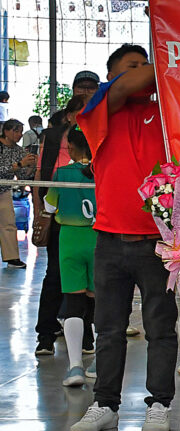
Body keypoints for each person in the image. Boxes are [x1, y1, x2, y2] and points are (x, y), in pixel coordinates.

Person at [69, 46, 179, 431]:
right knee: (110, 328)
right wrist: (170, 48)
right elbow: (128, 85)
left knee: (160, 329)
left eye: (145, 63)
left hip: (157, 242)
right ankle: (105, 404)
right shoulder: (99, 110)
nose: (142, 71)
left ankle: (160, 403)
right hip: (110, 240)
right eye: (131, 66)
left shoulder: (167, 113)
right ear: (111, 75)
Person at [35, 71, 101, 356]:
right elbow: (41, 172)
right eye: (80, 92)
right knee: (54, 276)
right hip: (62, 218)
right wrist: (41, 211)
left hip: (95, 221)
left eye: (91, 91)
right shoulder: (51, 137)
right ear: (70, 113)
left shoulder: (102, 137)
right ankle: (46, 334)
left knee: (93, 282)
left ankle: (86, 337)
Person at [42, 129, 96, 387]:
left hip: (70, 240)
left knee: (73, 299)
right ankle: (97, 361)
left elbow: (49, 206)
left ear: (72, 148)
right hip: (99, 239)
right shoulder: (102, 171)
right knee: (102, 300)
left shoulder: (62, 174)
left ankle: (75, 366)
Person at [0, 119, 36, 268]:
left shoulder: (19, 151)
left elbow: (24, 176)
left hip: (4, 190)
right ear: (6, 131)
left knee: (9, 223)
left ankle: (12, 257)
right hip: (4, 185)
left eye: (21, 131)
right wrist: (19, 164)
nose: (19, 135)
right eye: (16, 131)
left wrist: (31, 166)